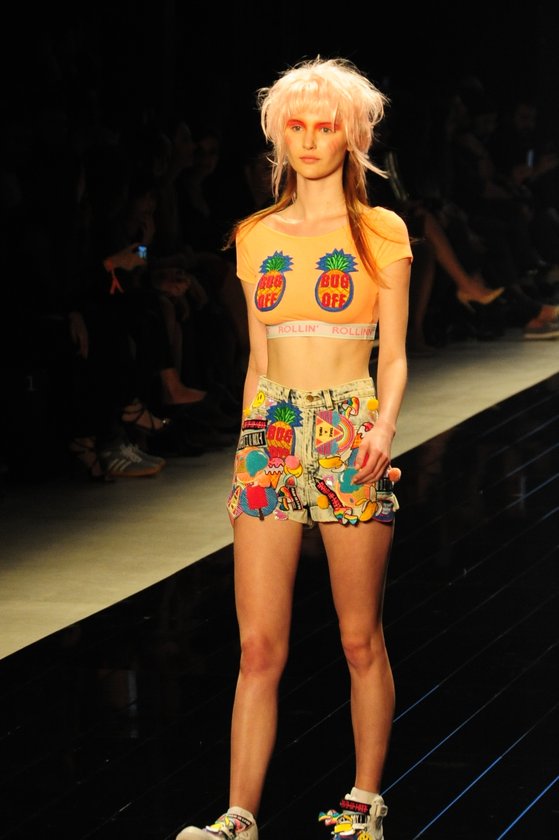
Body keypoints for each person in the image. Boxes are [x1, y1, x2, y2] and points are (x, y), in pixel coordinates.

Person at [176, 56, 412, 840]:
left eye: (325, 126)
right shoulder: (253, 236)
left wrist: (381, 429)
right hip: (269, 434)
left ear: (353, 136)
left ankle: (364, 804)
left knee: (358, 637)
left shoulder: (380, 231)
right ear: (278, 135)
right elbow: (258, 356)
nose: (309, 141)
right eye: (296, 127)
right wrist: (246, 453)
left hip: (349, 430)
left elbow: (392, 355)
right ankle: (237, 816)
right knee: (257, 646)